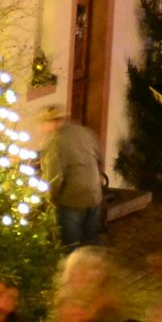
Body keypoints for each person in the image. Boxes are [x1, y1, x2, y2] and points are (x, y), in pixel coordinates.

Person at [40, 106, 107, 249]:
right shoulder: (85, 132)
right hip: (94, 195)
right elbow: (100, 159)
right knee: (90, 242)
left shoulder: (55, 142)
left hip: (71, 199)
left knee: (71, 245)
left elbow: (54, 177)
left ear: (52, 122)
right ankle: (93, 268)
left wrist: (50, 198)